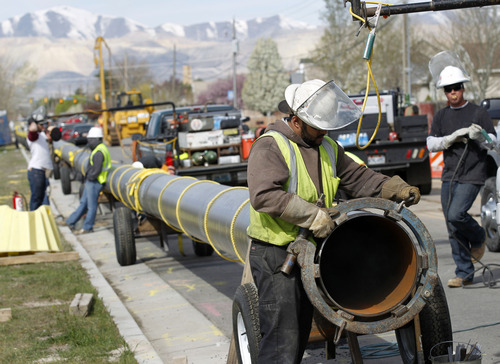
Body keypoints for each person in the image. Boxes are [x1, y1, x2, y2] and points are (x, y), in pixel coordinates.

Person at [246, 79, 421, 363]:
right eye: (318, 125)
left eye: (327, 125)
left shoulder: (327, 145)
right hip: (276, 254)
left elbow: (359, 178)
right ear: (297, 121)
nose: (324, 131)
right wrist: (312, 215)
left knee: (297, 335)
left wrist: (396, 189)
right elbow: (264, 196)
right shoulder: (270, 146)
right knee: (282, 340)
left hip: (309, 250)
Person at [427, 65, 496, 288]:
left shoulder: (478, 113)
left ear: (463, 88)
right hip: (450, 173)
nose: (453, 92)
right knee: (452, 224)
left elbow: (494, 142)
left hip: (473, 173)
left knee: (457, 215)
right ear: (444, 92)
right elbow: (430, 144)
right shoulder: (441, 115)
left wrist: (480, 136)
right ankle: (464, 272)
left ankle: (478, 237)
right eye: (448, 89)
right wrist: (450, 138)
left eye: (456, 87)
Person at [59, 127, 111, 234]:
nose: (89, 141)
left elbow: (96, 170)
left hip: (95, 182)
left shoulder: (99, 152)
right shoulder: (99, 149)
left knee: (91, 207)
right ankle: (70, 221)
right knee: (83, 203)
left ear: (96, 139)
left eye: (91, 139)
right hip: (92, 182)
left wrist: (89, 178)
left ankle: (88, 227)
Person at [27, 117, 54, 210]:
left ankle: (43, 219)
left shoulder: (42, 135)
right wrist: (36, 119)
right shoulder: (33, 136)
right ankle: (33, 220)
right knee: (36, 200)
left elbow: (53, 137)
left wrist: (49, 130)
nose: (43, 126)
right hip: (36, 171)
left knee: (43, 199)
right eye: (41, 124)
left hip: (43, 172)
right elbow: (33, 129)